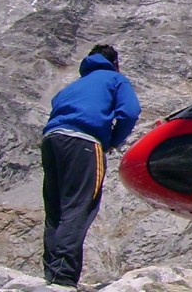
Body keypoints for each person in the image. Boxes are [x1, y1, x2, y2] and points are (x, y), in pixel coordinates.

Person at [41, 44, 141, 288]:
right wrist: (112, 142)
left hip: (52, 140)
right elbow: (130, 112)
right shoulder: (115, 79)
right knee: (79, 206)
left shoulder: (71, 88)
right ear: (115, 63)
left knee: (56, 209)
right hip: (84, 142)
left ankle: (51, 273)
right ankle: (63, 276)